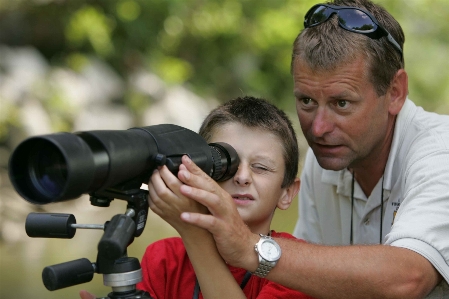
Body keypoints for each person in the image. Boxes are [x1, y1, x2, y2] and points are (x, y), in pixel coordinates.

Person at [157, 0, 449, 298]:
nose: (318, 129)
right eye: (307, 101)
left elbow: (409, 278)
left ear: (395, 92)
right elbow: (305, 279)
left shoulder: (440, 153)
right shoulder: (323, 162)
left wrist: (248, 247)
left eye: (342, 103)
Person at [80, 96, 315, 299]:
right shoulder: (163, 259)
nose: (242, 177)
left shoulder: (294, 265)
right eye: (226, 165)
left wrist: (194, 232)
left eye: (261, 167)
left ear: (287, 193)